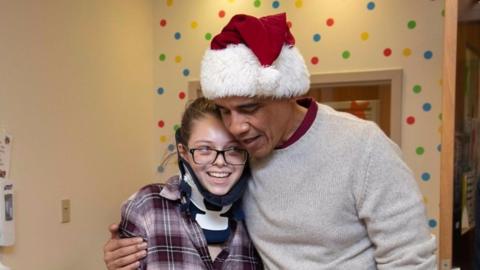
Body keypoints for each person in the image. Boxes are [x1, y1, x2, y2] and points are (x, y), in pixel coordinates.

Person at [104, 13, 437, 269]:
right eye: (224, 111)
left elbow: (410, 259)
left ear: (287, 93)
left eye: (249, 108)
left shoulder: (362, 145)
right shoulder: (243, 154)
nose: (236, 127)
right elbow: (196, 191)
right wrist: (128, 247)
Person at [104, 97, 263, 270]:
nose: (219, 162)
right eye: (205, 149)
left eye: (233, 149)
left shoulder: (260, 213)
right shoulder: (147, 207)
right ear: (184, 152)